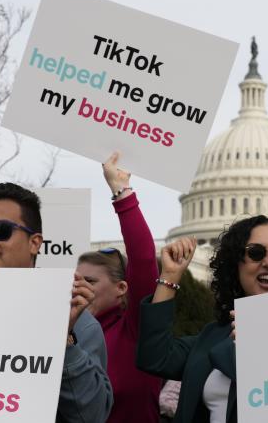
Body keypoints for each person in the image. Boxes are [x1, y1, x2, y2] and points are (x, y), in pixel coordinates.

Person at [136, 215, 268, 423]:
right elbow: (155, 357)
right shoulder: (214, 336)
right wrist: (169, 277)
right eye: (256, 253)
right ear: (236, 264)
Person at [0, 182, 113, 423]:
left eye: (0, 230)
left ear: (35, 243)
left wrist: (62, 338)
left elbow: (91, 417)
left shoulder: (78, 323)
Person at [75, 152, 161, 423]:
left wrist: (121, 192)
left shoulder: (134, 331)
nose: (78, 287)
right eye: (75, 280)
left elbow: (144, 259)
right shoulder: (66, 334)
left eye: (90, 281)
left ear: (122, 288)